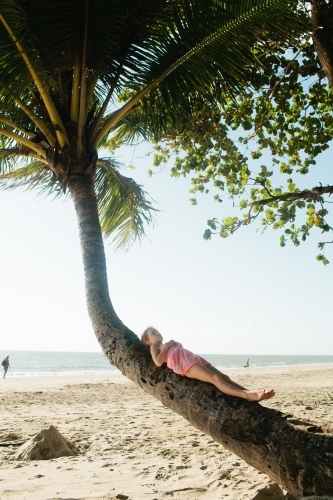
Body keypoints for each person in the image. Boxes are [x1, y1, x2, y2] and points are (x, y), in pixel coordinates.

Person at [141, 327, 275, 402]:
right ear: (147, 341)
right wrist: (167, 347)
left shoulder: (165, 343)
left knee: (224, 377)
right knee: (215, 379)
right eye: (153, 333)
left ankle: (250, 392)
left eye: (157, 331)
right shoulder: (155, 346)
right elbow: (158, 362)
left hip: (193, 358)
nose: (157, 333)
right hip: (184, 364)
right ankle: (246, 396)